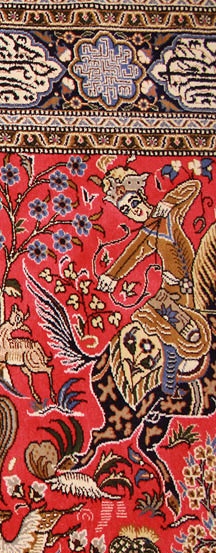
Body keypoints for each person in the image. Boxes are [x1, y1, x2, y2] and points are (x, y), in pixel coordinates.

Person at [96, 168, 208, 398]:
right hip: (172, 292)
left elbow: (194, 186)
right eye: (126, 210)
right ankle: (168, 384)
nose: (133, 210)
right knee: (172, 333)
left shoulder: (169, 214)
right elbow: (131, 255)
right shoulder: (147, 233)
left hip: (192, 287)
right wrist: (112, 276)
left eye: (133, 202)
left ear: (142, 196)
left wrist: (170, 200)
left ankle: (174, 379)